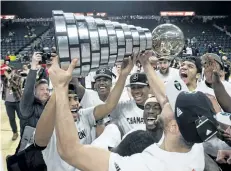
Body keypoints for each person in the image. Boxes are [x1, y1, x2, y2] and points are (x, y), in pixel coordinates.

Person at [48, 57, 211, 170]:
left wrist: (61, 88)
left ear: (174, 127)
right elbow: (163, 97)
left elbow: (70, 152)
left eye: (172, 103)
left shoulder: (146, 166)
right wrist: (145, 64)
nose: (165, 100)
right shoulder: (194, 144)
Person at [34, 55, 134, 171]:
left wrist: (123, 75)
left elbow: (109, 105)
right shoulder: (50, 125)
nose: (75, 103)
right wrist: (59, 88)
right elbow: (40, 141)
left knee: (112, 128)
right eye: (69, 99)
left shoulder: (83, 115)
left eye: (76, 98)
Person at [20, 52, 50, 131]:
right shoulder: (27, 109)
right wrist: (33, 66)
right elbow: (28, 90)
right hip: (31, 143)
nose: (46, 92)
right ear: (35, 93)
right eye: (42, 89)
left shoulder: (50, 105)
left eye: (47, 89)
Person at [2, 66, 22, 140]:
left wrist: (10, 78)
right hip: (8, 102)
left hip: (18, 101)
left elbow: (16, 86)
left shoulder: (18, 77)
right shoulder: (4, 78)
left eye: (10, 71)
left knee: (22, 118)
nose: (8, 73)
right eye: (8, 71)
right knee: (11, 118)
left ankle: (23, 132)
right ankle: (15, 133)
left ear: (14, 71)